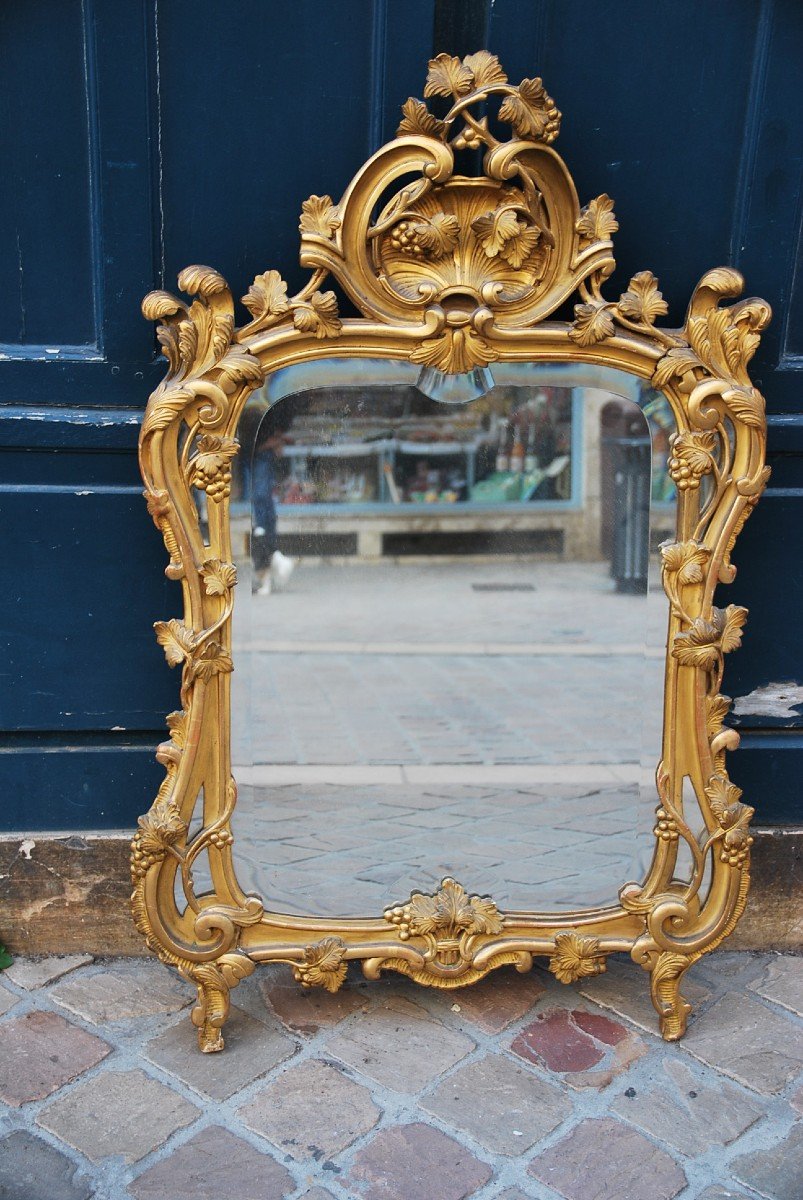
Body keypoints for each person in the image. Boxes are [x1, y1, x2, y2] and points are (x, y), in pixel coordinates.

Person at [251, 410, 295, 595]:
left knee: (263, 516)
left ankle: (269, 567)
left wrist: (272, 441)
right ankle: (272, 562)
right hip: (259, 451)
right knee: (263, 514)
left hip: (259, 452)